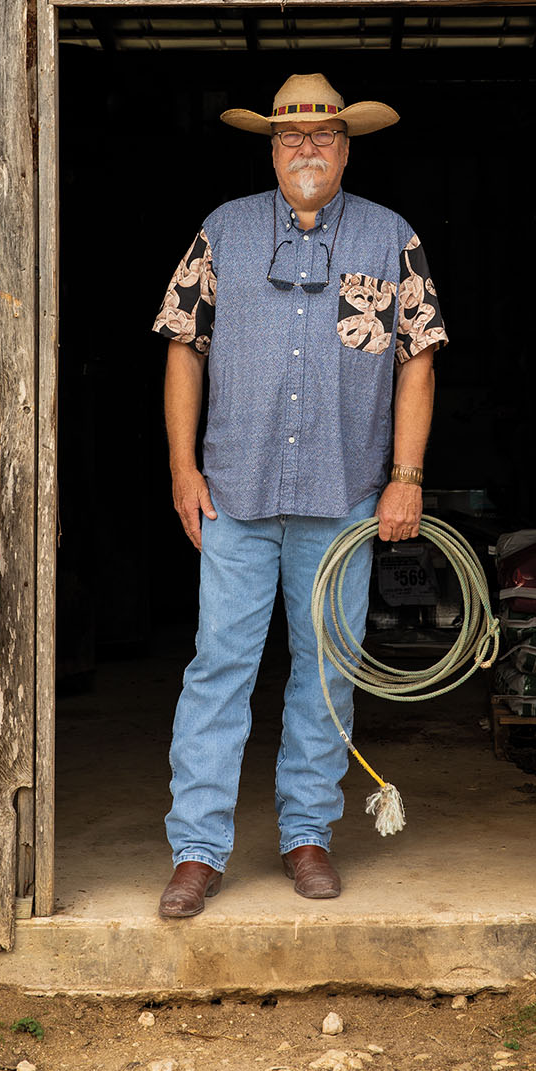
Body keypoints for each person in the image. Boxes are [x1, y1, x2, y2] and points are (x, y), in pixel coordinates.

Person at [151, 72, 448, 920]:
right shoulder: (223, 231)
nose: (306, 149)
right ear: (271, 147)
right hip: (236, 494)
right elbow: (183, 347)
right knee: (219, 670)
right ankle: (198, 850)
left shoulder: (392, 236)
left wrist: (406, 475)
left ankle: (307, 835)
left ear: (347, 147)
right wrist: (182, 468)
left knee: (326, 673)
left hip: (345, 496)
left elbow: (417, 358)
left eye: (323, 135)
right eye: (290, 136)